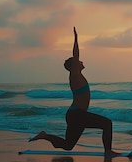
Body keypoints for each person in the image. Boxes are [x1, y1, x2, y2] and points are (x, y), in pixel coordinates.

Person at [29, 27, 118, 155]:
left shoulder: (77, 76)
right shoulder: (74, 75)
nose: (81, 61)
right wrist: (76, 39)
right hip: (77, 114)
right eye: (78, 62)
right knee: (107, 124)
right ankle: (108, 151)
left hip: (75, 115)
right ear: (74, 66)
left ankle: (45, 136)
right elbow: (76, 55)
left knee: (68, 145)